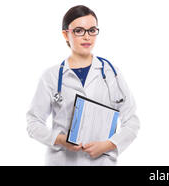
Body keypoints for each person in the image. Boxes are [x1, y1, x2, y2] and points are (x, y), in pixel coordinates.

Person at [26, 5, 140, 165]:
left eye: (92, 30)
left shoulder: (111, 73)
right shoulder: (51, 76)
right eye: (79, 31)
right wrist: (60, 140)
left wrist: (107, 145)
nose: (87, 37)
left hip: (101, 161)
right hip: (62, 161)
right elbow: (33, 123)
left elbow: (132, 122)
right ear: (66, 34)